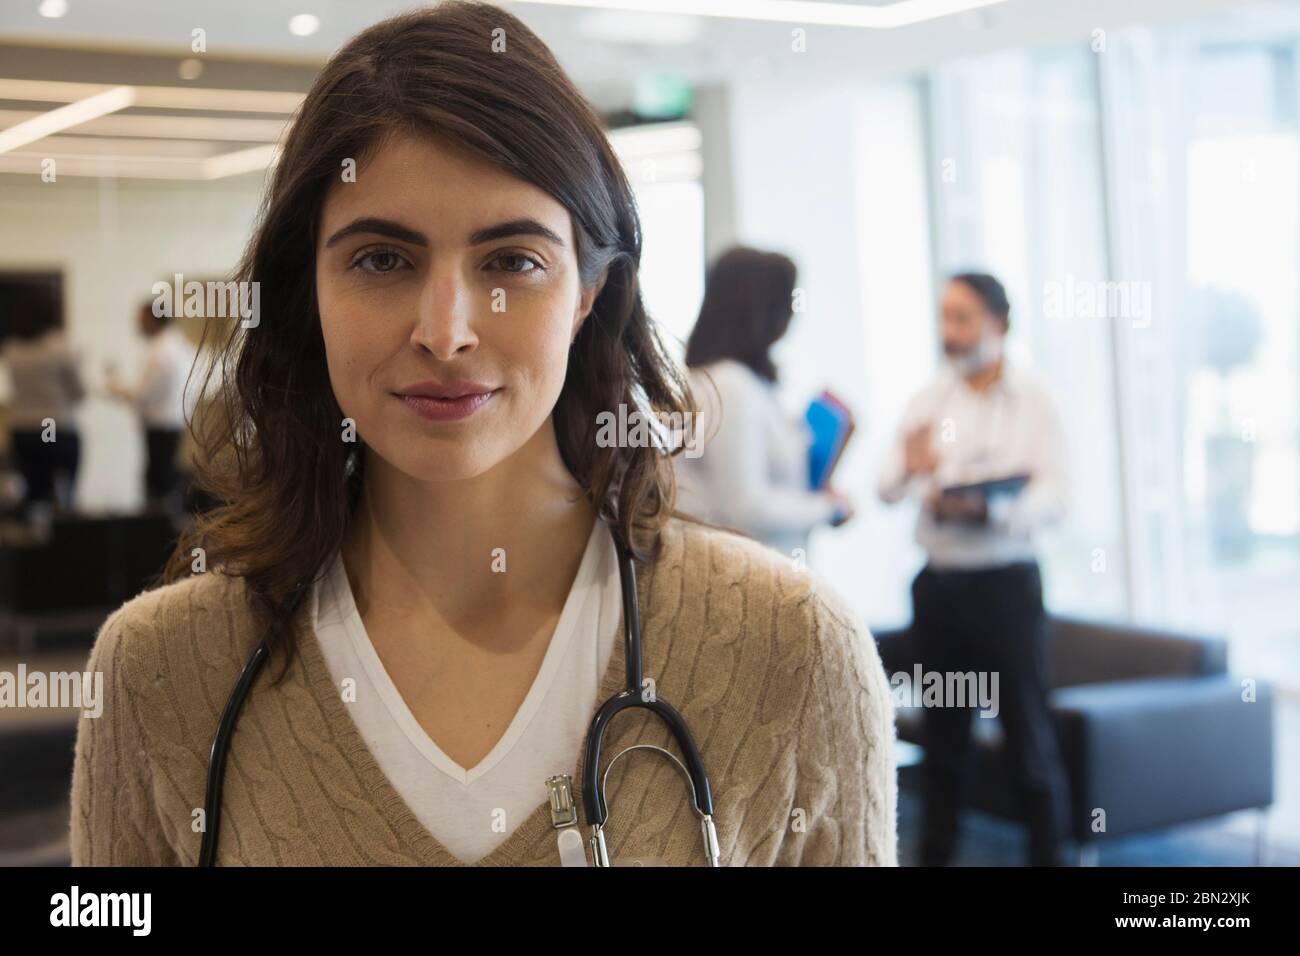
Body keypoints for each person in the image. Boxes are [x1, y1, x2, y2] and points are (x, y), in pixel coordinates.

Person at [69, 2, 897, 867]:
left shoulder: (792, 650)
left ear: (586, 293)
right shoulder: (160, 671)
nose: (447, 331)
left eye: (511, 261)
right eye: (382, 259)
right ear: (305, 290)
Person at [877, 272, 1070, 866]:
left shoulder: (1033, 400)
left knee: (1027, 741)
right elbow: (885, 487)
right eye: (945, 318)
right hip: (941, 591)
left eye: (962, 319)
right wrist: (912, 471)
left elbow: (1055, 498)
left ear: (999, 324)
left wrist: (993, 508)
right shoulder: (931, 399)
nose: (950, 333)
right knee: (945, 741)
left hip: (1005, 589)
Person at [674, 246, 854, 559]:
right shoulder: (730, 386)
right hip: (748, 573)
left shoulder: (741, 382)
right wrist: (829, 508)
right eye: (789, 300)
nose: (794, 312)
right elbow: (745, 507)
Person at [104, 302, 199, 513]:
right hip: (174, 421)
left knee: (160, 480)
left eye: (142, 320)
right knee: (164, 476)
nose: (138, 325)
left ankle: (161, 528)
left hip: (161, 424)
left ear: (153, 320)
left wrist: (114, 387)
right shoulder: (181, 346)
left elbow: (143, 395)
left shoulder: (161, 353)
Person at [1, 284, 84, 518]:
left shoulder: (12, 349)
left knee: (35, 494)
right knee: (63, 493)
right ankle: (62, 540)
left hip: (24, 430)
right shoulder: (60, 348)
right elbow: (78, 392)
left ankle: (36, 542)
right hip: (54, 427)